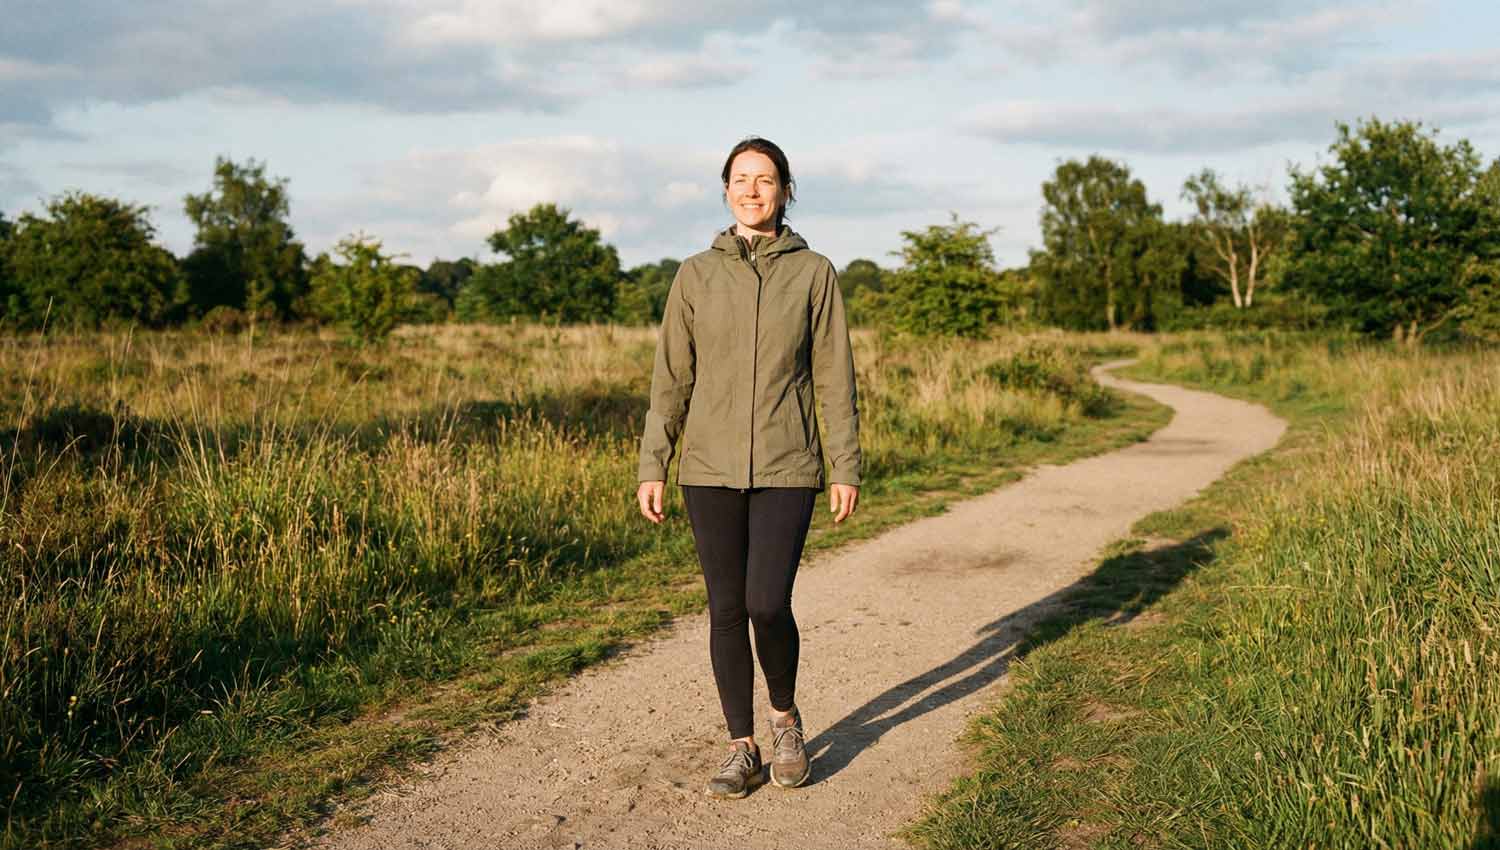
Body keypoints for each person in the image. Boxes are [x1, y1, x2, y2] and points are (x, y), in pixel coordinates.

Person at [636, 136, 862, 799]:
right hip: (707, 468)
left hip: (788, 463)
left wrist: (844, 465)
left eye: (765, 179)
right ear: (726, 189)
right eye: (741, 179)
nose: (753, 190)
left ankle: (785, 719)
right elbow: (671, 380)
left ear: (786, 191)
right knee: (727, 608)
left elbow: (835, 377)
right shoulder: (695, 275)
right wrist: (654, 463)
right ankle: (742, 746)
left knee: (767, 602)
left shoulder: (814, 273)